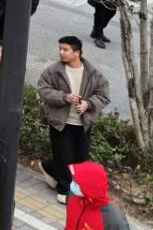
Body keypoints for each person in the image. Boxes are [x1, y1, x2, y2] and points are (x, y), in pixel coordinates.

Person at [38, 36, 111, 203]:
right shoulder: (53, 71)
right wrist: (64, 97)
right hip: (61, 123)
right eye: (60, 49)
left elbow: (103, 95)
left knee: (80, 159)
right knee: (65, 158)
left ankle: (48, 166)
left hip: (83, 124)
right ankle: (64, 190)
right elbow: (43, 90)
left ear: (77, 52)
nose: (61, 52)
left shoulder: (93, 73)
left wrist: (88, 104)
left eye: (65, 49)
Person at [65, 162, 132, 230]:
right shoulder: (72, 195)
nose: (72, 184)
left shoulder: (113, 220)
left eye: (77, 183)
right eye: (73, 179)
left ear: (90, 189)